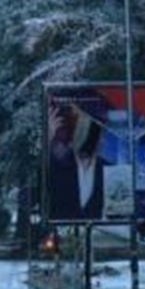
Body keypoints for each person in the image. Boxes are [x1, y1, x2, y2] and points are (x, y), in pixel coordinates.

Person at [48, 93, 108, 222]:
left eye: (93, 131)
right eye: (82, 129)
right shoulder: (57, 166)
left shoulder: (109, 170)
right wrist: (48, 139)